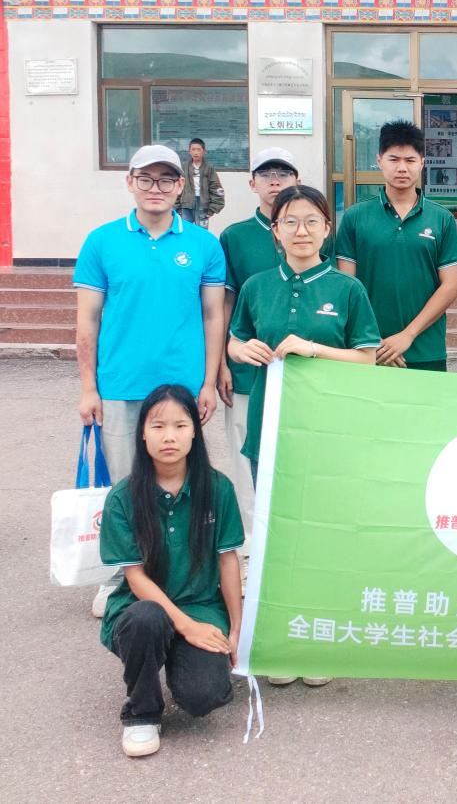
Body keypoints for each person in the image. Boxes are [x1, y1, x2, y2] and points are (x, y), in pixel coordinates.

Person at [229, 186, 379, 689]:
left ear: (327, 229)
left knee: (319, 534)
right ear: (275, 231)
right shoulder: (256, 287)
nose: (301, 231)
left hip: (326, 429)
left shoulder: (347, 289)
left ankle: (317, 639)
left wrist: (314, 348)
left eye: (312, 221)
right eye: (290, 222)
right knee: (275, 535)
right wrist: (240, 350)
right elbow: (235, 339)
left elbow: (367, 357)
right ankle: (281, 640)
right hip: (269, 426)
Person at [75, 144, 226, 618]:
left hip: (182, 389)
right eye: (145, 178)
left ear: (181, 186)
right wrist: (88, 387)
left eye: (165, 179)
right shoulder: (102, 242)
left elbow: (213, 315)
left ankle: (185, 576)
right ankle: (123, 576)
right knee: (128, 487)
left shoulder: (203, 244)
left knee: (185, 484)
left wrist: (207, 382)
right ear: (130, 183)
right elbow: (87, 321)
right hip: (121, 386)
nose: (155, 188)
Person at [99, 384, 243, 758]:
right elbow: (135, 578)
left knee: (204, 696)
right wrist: (186, 626)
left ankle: (177, 657)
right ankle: (141, 713)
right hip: (140, 610)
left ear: (195, 432)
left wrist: (236, 629)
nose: (169, 437)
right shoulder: (123, 498)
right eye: (158, 426)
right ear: (142, 433)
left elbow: (228, 560)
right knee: (148, 620)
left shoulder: (218, 488)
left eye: (180, 426)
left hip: (200, 606)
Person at [217, 148, 301, 557]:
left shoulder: (311, 228)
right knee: (245, 453)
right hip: (249, 368)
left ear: (297, 181)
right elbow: (224, 303)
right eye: (266, 174)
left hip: (303, 371)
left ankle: (292, 540)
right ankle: (252, 544)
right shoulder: (235, 236)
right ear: (252, 183)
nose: (275, 180)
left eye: (284, 173)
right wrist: (221, 361)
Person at [336, 121, 457, 372]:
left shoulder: (442, 218)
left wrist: (408, 335)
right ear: (379, 161)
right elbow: (346, 286)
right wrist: (372, 340)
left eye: (410, 160)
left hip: (426, 349)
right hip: (367, 348)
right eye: (394, 159)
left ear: (422, 163)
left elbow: (450, 286)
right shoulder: (355, 217)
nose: (402, 168)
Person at [176, 138, 225, 228]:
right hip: (186, 204)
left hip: (203, 205)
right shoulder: (184, 167)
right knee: (186, 230)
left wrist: (213, 209)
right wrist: (177, 207)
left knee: (202, 231)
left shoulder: (209, 168)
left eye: (198, 149)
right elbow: (178, 187)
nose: (196, 152)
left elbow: (216, 188)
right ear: (189, 151)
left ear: (204, 151)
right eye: (193, 149)